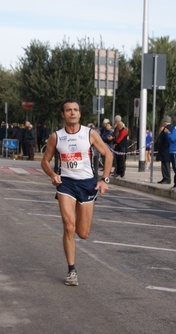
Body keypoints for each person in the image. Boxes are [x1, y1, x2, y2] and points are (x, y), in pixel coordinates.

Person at [41, 98, 113, 286]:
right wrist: (53, 174)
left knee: (83, 233)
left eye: (75, 110)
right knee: (69, 226)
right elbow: (45, 161)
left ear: (79, 113)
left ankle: (73, 263)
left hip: (87, 184)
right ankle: (71, 270)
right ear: (63, 114)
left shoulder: (90, 134)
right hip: (66, 185)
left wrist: (104, 180)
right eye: (68, 110)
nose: (72, 113)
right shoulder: (56, 137)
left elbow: (108, 154)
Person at [156, 116, 171, 184]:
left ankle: (167, 178)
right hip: (165, 150)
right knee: (164, 164)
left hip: (166, 150)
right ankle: (165, 177)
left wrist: (162, 148)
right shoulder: (167, 128)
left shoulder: (167, 129)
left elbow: (167, 140)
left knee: (166, 165)